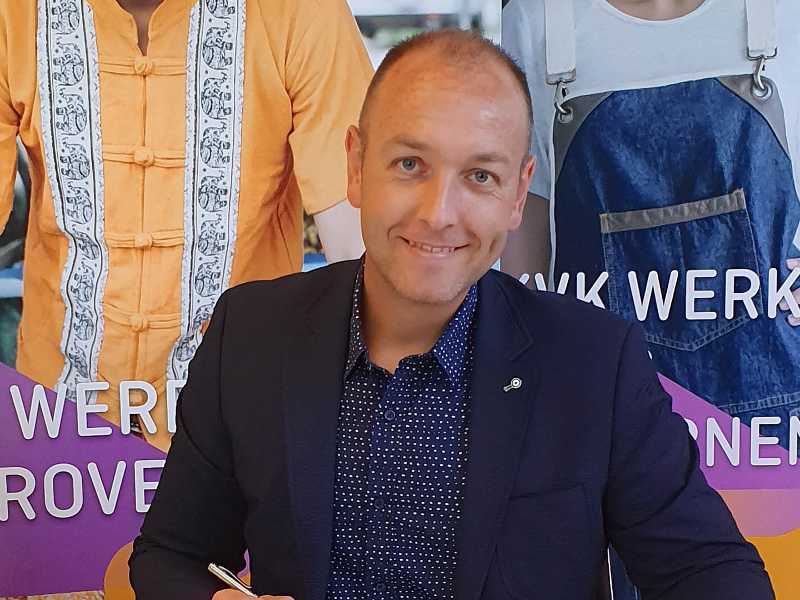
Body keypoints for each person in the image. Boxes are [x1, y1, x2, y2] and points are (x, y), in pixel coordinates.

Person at [129, 30, 774, 600]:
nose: (438, 213)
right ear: (355, 165)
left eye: (480, 177)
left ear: (519, 192)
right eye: (409, 165)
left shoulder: (594, 363)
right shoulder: (251, 335)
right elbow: (169, 556)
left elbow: (711, 571)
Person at [0, 0, 371, 450]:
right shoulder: (13, 12)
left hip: (242, 422)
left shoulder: (298, 11)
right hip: (54, 422)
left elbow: (362, 250)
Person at [501, 0, 800, 448]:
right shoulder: (538, 20)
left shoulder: (783, 13)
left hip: (772, 415)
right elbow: (525, 248)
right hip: (604, 410)